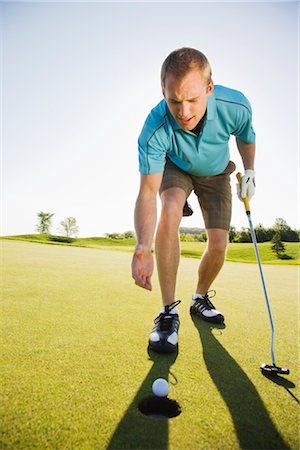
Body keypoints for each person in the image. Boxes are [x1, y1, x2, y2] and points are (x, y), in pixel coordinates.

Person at [131, 47, 256, 353]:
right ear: (163, 91)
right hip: (177, 167)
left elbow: (246, 136)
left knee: (218, 244)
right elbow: (148, 191)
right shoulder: (155, 128)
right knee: (170, 210)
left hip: (216, 173)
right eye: (173, 100)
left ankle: (199, 298)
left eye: (192, 100)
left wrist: (250, 170)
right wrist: (142, 247)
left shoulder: (234, 104)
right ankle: (168, 313)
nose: (183, 112)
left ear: (209, 89)